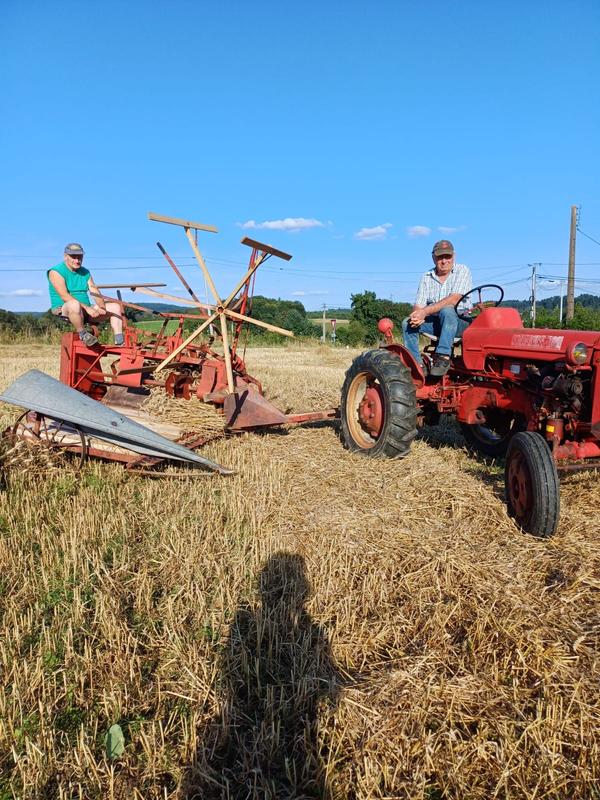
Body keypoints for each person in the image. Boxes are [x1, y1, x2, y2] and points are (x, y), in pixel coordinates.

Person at [402, 239, 472, 377]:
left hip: (460, 322)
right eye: (440, 257)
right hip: (437, 323)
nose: (444, 261)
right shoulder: (427, 277)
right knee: (407, 323)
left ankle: (443, 356)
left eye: (448, 256)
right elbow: (419, 305)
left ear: (454, 256)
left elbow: (454, 299)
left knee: (447, 310)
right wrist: (416, 315)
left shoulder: (462, 270)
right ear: (433, 258)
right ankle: (418, 365)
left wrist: (424, 312)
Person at [47, 243, 124, 347]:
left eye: (79, 257)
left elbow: (94, 290)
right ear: (65, 256)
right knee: (74, 304)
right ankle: (83, 334)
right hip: (65, 309)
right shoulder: (56, 272)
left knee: (115, 307)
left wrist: (101, 307)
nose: (77, 260)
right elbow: (64, 296)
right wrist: (88, 308)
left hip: (85, 310)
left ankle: (119, 340)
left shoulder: (85, 272)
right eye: (73, 257)